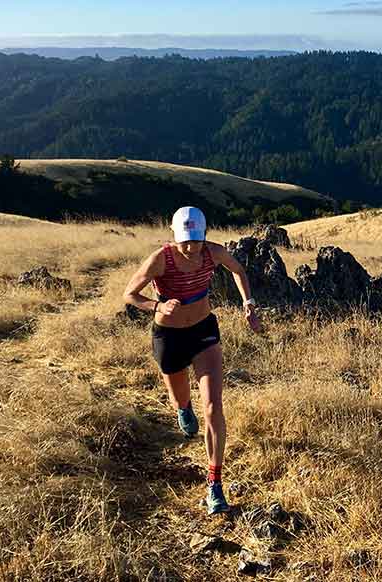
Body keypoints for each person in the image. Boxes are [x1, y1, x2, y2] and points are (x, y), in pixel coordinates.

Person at [123, 206, 262, 514]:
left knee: (214, 407)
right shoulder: (161, 258)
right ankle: (183, 408)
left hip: (203, 332)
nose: (190, 246)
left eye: (196, 239)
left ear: (204, 235)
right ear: (175, 235)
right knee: (183, 401)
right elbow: (130, 294)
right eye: (185, 240)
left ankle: (214, 484)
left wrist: (248, 303)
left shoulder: (213, 253)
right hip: (169, 337)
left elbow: (238, 270)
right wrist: (156, 307)